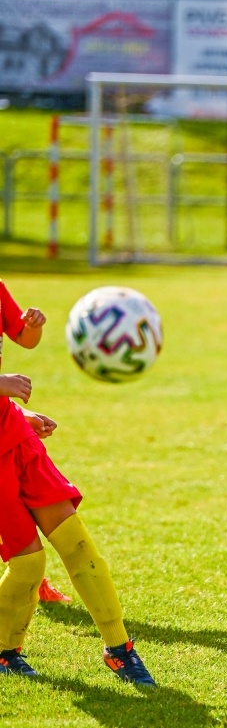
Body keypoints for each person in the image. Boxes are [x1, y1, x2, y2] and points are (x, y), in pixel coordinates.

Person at [0, 279, 154, 684]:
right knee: (29, 565)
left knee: (77, 541)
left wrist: (33, 325)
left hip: (15, 438)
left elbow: (24, 338)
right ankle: (5, 652)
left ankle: (120, 649)